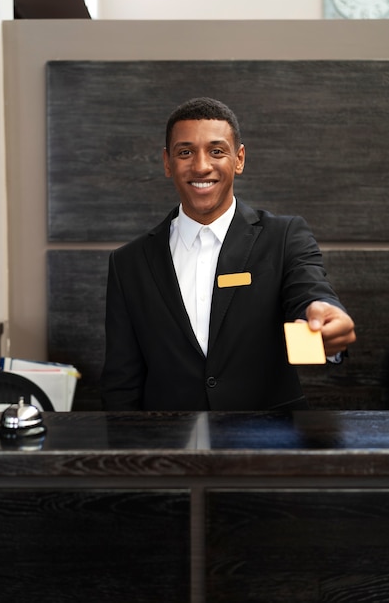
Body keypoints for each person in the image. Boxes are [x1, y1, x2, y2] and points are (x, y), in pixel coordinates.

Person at [100, 97, 356, 411]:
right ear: (167, 162)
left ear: (239, 159)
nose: (201, 166)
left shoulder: (284, 236)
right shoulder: (129, 262)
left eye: (217, 151)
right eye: (185, 152)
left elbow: (310, 294)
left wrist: (324, 318)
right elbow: (121, 384)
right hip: (168, 450)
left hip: (267, 445)